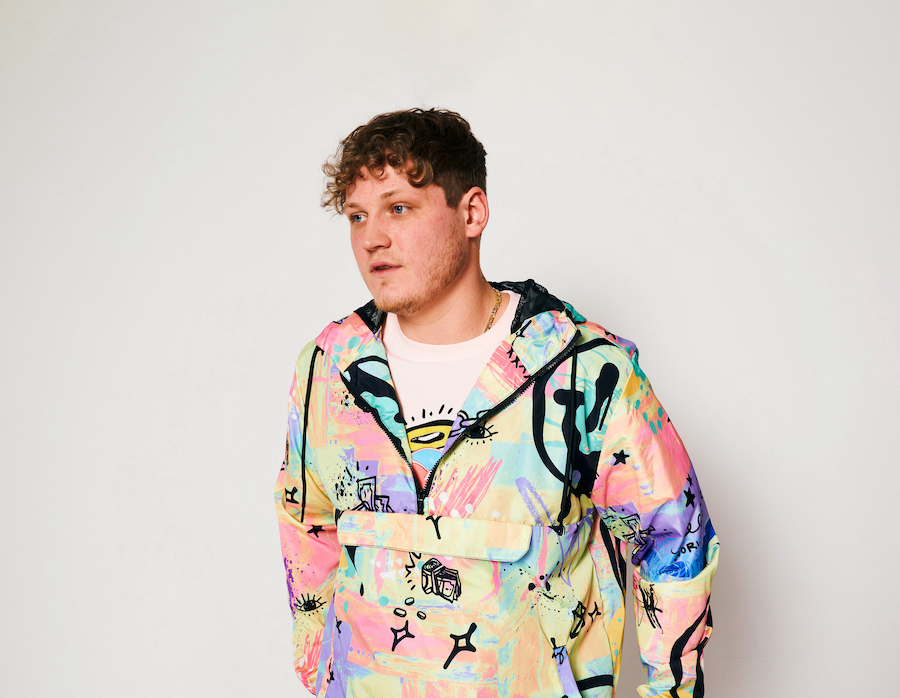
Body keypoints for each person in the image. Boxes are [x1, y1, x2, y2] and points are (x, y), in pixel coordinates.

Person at [275, 108, 719, 697]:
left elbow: (675, 539)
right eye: (358, 216)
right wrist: (321, 673)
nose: (371, 238)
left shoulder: (581, 370)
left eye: (398, 208)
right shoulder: (329, 368)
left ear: (472, 213)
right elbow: (307, 525)